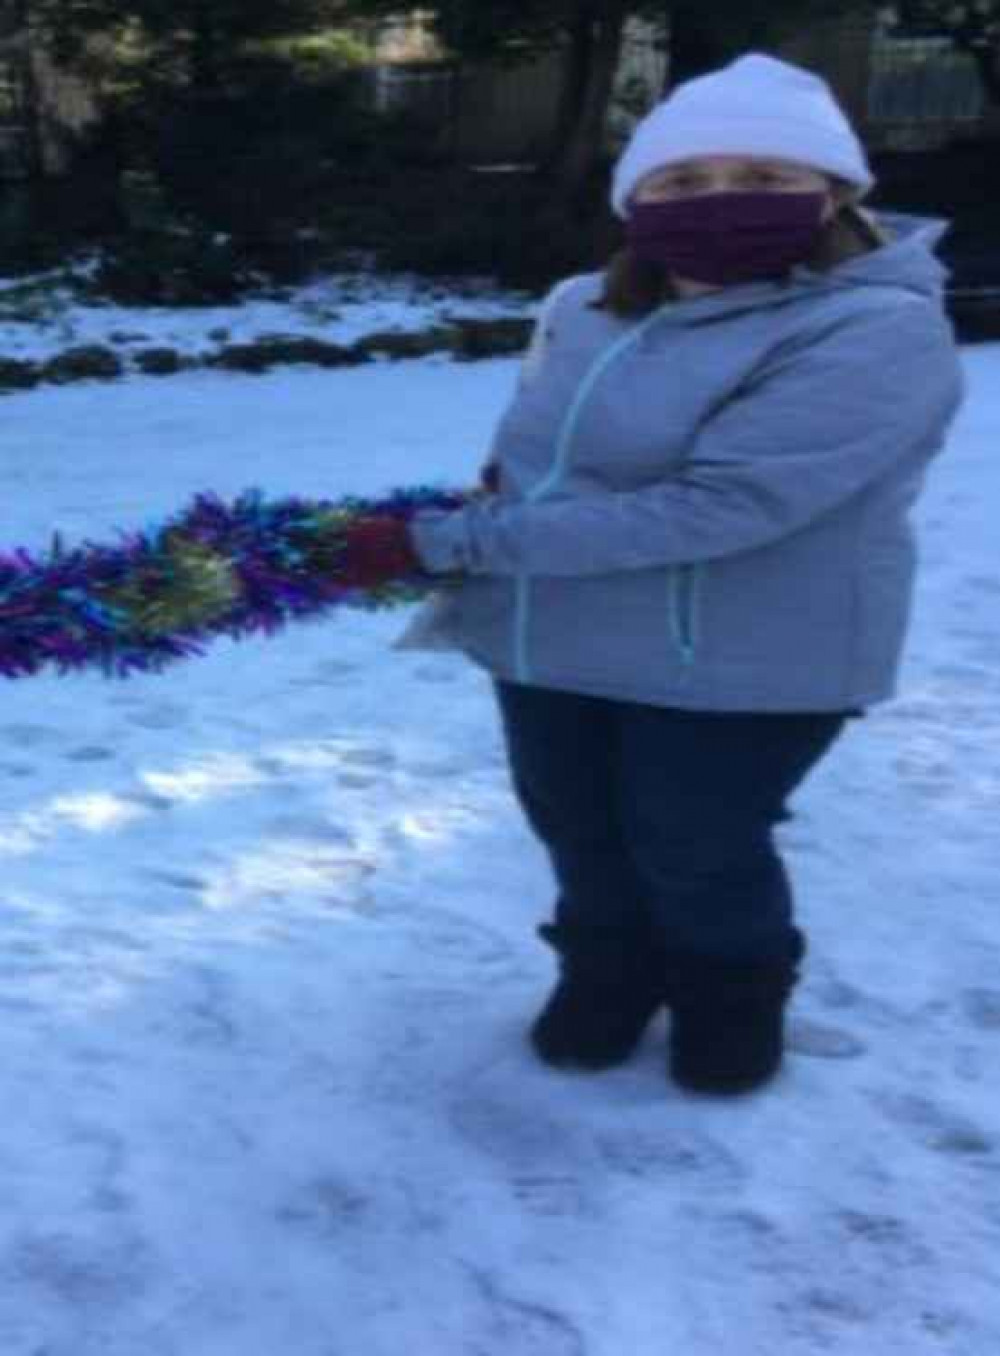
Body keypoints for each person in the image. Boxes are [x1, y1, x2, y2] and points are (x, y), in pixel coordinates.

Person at [339, 54, 965, 1095]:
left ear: (835, 194)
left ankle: (731, 998)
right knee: (580, 832)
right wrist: (478, 502)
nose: (717, 202)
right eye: (681, 181)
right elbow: (547, 459)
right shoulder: (584, 306)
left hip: (745, 654)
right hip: (555, 638)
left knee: (699, 847)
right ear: (637, 200)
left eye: (762, 177)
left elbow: (723, 507)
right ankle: (608, 977)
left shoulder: (873, 329)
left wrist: (443, 544)